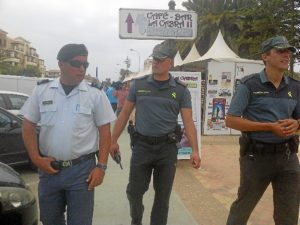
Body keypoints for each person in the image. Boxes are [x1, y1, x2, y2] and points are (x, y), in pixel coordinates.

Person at [21, 44, 116, 225]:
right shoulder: (42, 91)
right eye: (76, 63)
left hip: (82, 171)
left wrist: (101, 167)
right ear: (61, 64)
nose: (82, 69)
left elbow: (105, 132)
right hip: (49, 170)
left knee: (80, 222)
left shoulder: (95, 95)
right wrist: (35, 158)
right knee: (50, 220)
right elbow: (28, 124)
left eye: (85, 65)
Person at [110, 40, 201, 225]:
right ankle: (137, 219)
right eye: (154, 59)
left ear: (170, 63)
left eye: (160, 60)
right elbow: (125, 113)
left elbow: (188, 121)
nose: (155, 63)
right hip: (142, 146)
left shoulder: (180, 90)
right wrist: (113, 140)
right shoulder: (138, 85)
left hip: (167, 149)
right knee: (134, 191)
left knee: (162, 197)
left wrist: (195, 150)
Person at [225, 36, 300, 225]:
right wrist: (268, 127)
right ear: (265, 56)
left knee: (289, 214)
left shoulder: (295, 86)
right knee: (242, 209)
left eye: (288, 51)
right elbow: (231, 120)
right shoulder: (249, 85)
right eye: (280, 51)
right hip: (256, 158)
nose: (286, 55)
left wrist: (297, 124)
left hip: (288, 157)